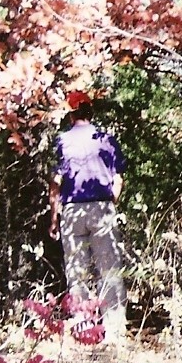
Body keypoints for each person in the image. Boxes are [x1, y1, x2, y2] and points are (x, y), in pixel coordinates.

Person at [48, 90, 128, 342]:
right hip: (102, 208)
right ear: (90, 111)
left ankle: (84, 331)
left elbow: (55, 183)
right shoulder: (106, 139)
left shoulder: (62, 141)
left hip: (72, 211)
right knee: (110, 270)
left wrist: (54, 217)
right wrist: (109, 202)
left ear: (71, 115)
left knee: (77, 272)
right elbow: (118, 179)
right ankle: (115, 332)